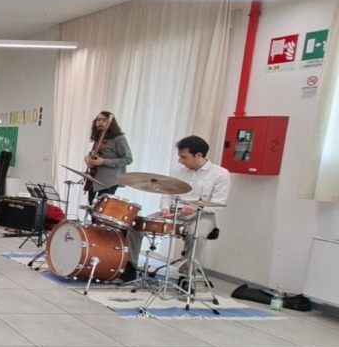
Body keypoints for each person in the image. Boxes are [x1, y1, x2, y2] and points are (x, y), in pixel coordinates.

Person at [124, 135, 231, 283]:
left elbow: (218, 203)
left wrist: (195, 207)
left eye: (184, 157)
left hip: (203, 214)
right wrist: (165, 208)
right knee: (137, 225)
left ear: (198, 155)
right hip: (175, 211)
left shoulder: (220, 174)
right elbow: (167, 193)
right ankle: (130, 266)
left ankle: (187, 276)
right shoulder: (178, 171)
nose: (180, 160)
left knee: (196, 234)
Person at [83, 111, 133, 204]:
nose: (100, 122)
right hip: (94, 178)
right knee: (90, 207)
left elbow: (128, 159)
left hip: (109, 181)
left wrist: (104, 162)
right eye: (98, 120)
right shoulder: (100, 137)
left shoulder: (119, 138)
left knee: (101, 208)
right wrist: (87, 158)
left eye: (104, 120)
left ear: (111, 123)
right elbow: (93, 154)